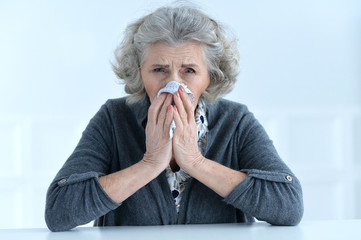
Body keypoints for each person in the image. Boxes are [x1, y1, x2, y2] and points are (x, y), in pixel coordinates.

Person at [45, 5, 303, 232]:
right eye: (159, 70)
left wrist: (194, 161)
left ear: (210, 76)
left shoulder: (236, 121)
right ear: (140, 73)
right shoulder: (113, 119)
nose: (173, 85)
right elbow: (59, 212)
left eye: (189, 70)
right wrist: (149, 163)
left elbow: (289, 206)